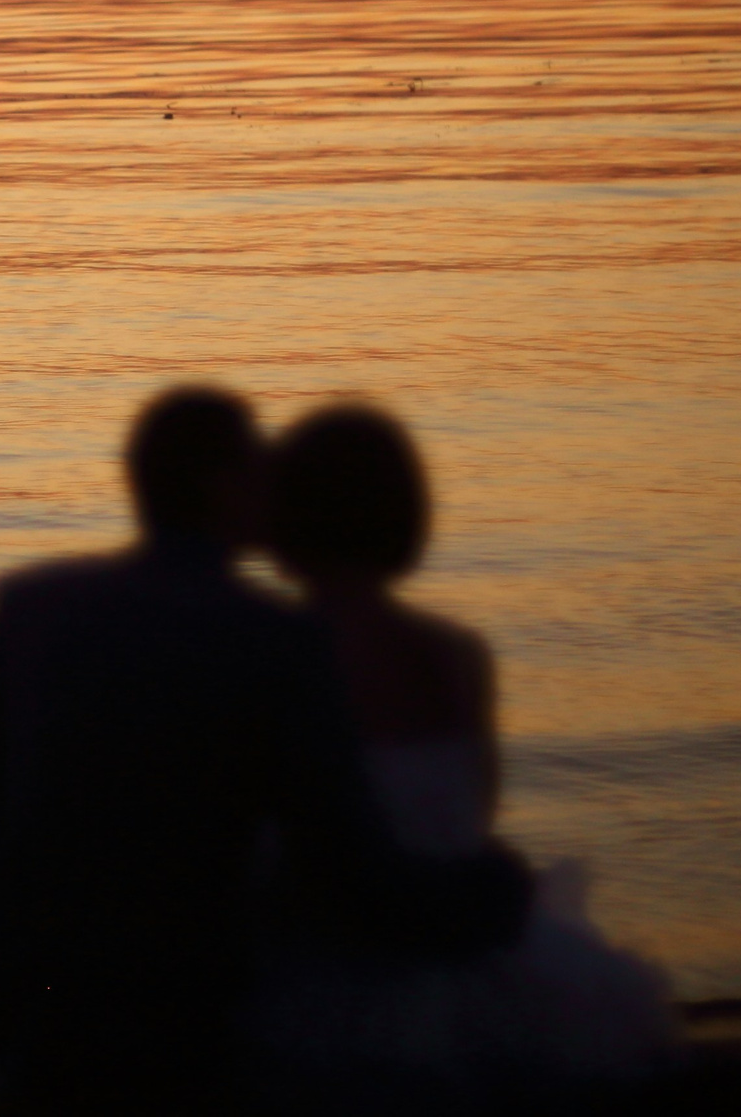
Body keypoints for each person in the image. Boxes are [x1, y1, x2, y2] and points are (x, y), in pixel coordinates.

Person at [0, 386, 533, 1113]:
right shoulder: (277, 641)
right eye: (259, 468)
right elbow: (348, 870)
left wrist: (12, 913)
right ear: (220, 486)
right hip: (162, 1005)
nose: (276, 490)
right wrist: (496, 895)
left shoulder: (29, 601)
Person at [250, 404, 675, 1102]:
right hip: (460, 958)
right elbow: (474, 813)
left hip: (332, 964)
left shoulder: (268, 658)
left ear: (287, 519)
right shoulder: (458, 656)